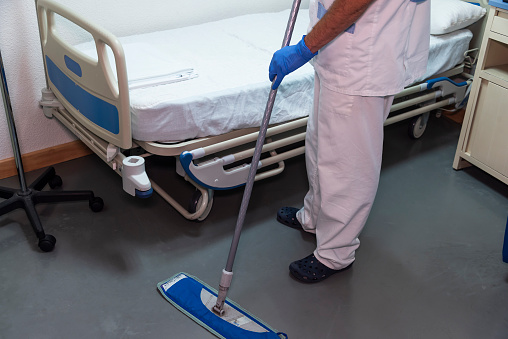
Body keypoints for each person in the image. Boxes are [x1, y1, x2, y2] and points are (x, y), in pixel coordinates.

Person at [269, 0, 430, 283]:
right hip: (337, 51)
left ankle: (335, 253)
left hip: (360, 64)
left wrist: (304, 48)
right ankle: (314, 217)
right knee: (320, 146)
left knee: (347, 166)